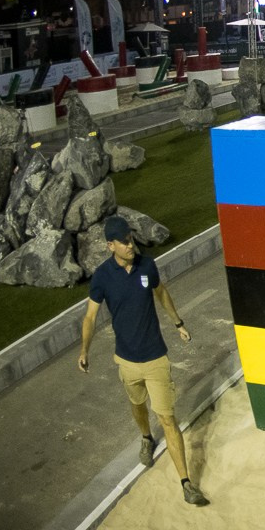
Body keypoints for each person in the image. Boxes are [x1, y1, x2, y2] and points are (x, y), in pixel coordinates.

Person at [78, 216, 209, 506]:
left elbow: (160, 291)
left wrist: (178, 323)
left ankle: (186, 483)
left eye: (131, 239)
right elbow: (89, 317)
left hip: (155, 358)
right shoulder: (102, 277)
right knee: (138, 406)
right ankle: (146, 437)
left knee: (168, 418)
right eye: (123, 241)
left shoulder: (147, 266)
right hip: (126, 361)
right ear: (110, 245)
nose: (130, 245)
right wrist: (84, 350)